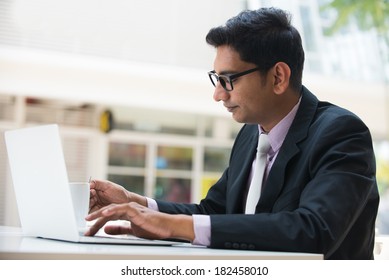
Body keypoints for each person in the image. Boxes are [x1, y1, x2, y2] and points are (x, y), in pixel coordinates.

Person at [85, 7, 379, 260]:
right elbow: (214, 211)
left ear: (278, 77)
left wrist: (173, 226)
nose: (217, 95)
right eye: (216, 79)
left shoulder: (342, 133)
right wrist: (136, 204)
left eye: (228, 80)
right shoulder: (250, 135)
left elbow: (314, 230)